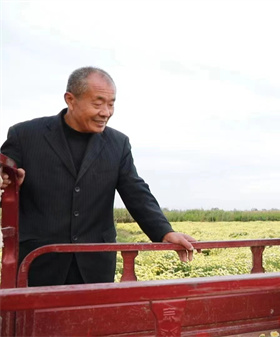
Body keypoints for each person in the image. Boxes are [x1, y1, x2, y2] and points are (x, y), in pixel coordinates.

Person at [0, 66, 197, 287]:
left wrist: (164, 232)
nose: (106, 112)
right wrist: (8, 182)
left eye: (111, 103)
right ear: (70, 100)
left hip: (94, 266)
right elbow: (5, 177)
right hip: (37, 263)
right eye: (98, 103)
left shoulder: (118, 143)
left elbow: (136, 192)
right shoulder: (25, 135)